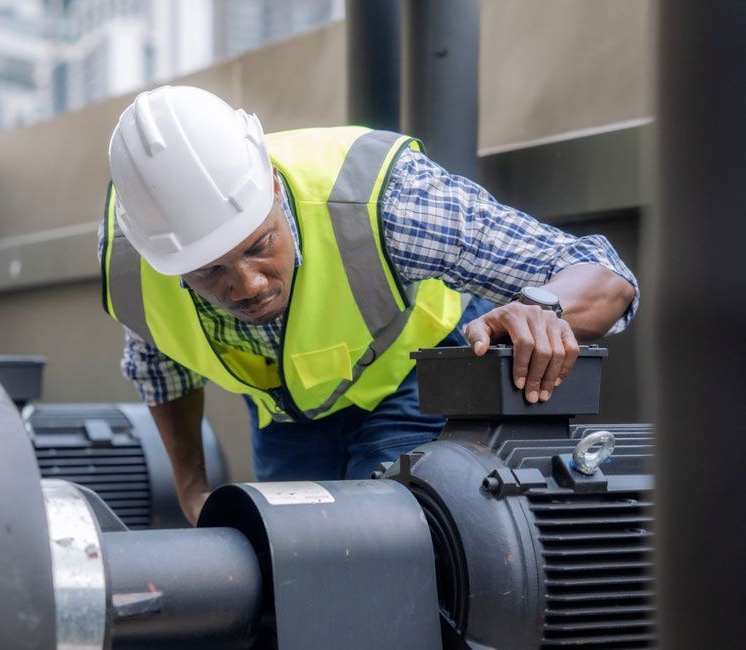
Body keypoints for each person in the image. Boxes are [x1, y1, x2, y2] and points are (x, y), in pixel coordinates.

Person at [99, 85, 637, 524]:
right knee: (295, 558)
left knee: (392, 538)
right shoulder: (133, 267)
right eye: (209, 271)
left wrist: (544, 308)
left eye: (260, 245)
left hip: (412, 377)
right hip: (290, 412)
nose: (248, 286)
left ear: (271, 184)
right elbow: (160, 366)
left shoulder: (383, 200)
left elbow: (606, 275)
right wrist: (192, 489)